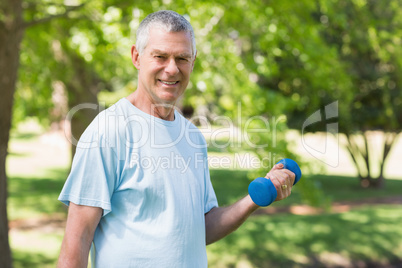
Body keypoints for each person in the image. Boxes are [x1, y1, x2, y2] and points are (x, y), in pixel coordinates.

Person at [57, 10, 295, 268]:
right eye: (160, 56)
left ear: (193, 62)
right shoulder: (110, 130)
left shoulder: (192, 137)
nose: (171, 69)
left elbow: (198, 229)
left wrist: (254, 199)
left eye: (182, 58)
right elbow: (76, 244)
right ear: (137, 57)